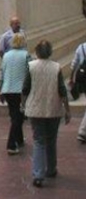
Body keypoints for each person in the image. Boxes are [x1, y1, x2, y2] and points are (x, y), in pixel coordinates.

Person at [22, 39, 71, 188]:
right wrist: (67, 109)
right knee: (51, 139)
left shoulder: (31, 66)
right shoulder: (56, 67)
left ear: (37, 52)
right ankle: (51, 169)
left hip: (35, 109)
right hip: (53, 108)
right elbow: (62, 90)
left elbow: (25, 88)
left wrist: (23, 105)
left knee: (38, 141)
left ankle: (38, 174)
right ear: (50, 52)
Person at [0, 33, 30, 155]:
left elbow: (2, 73)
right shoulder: (26, 55)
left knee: (15, 115)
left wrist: (0, 90)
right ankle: (11, 144)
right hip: (19, 90)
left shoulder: (6, 55)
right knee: (18, 117)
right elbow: (29, 73)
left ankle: (19, 139)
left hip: (7, 89)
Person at [70, 37, 86, 144]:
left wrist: (72, 78)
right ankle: (83, 131)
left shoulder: (81, 47)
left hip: (83, 79)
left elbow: (74, 64)